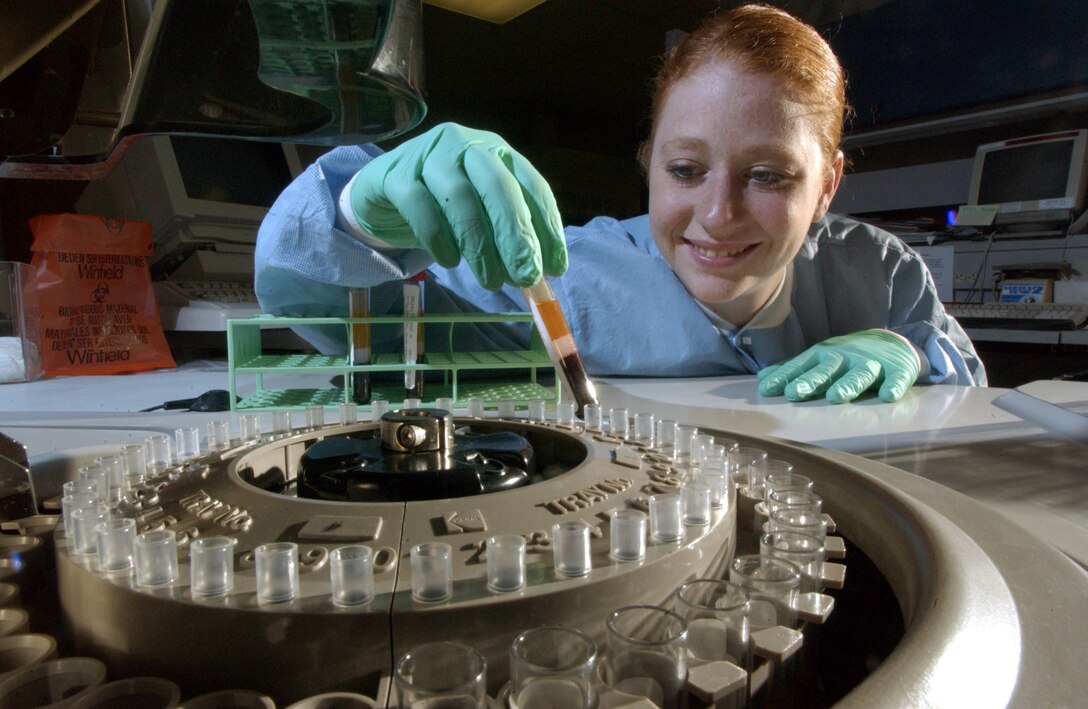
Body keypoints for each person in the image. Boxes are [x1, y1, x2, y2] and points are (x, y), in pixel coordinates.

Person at [255, 4, 986, 404]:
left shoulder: (880, 273)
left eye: (767, 176)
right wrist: (351, 211)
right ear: (649, 166)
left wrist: (911, 349)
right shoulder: (570, 277)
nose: (719, 212)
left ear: (827, 185)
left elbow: (968, 378)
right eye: (687, 169)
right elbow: (350, 324)